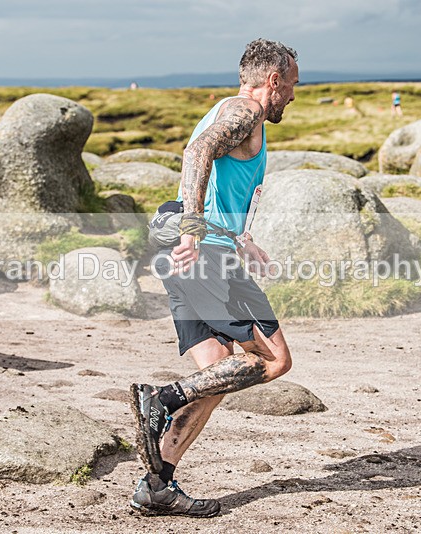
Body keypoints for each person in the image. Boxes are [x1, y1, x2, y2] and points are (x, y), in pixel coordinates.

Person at [129, 38, 298, 517]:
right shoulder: (246, 112)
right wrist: (194, 230)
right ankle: (160, 399)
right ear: (273, 80)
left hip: (194, 244)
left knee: (218, 373)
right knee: (273, 360)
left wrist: (241, 238)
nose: (293, 95)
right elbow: (200, 149)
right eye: (292, 85)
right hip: (199, 249)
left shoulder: (236, 113)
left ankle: (156, 486)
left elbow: (220, 176)